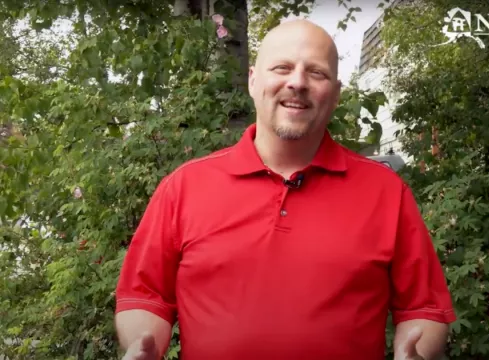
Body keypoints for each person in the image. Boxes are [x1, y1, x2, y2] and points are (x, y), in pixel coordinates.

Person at [114, 19, 456, 360]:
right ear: (252, 80)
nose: (297, 82)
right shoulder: (184, 188)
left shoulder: (386, 192)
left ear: (335, 95)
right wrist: (141, 346)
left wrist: (418, 354)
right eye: (282, 68)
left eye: (316, 73)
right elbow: (145, 297)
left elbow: (422, 308)